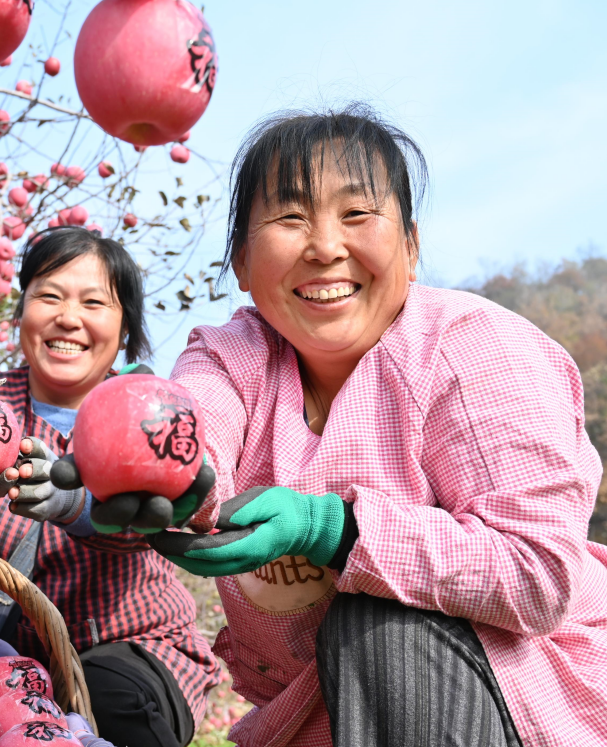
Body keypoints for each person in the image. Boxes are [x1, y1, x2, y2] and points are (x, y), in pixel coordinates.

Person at [55, 106, 607, 746]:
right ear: (239, 261)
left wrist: (335, 530)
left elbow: (536, 572)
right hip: (327, 721)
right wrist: (169, 478)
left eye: (357, 215)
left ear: (411, 245)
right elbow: (197, 428)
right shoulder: (232, 356)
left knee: (379, 621)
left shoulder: (475, 349)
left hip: (527, 706)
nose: (323, 246)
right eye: (289, 218)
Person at [0, 227, 220, 747]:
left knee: (105, 705)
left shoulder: (148, 410)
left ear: (125, 329)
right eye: (49, 296)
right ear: (22, 311)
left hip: (127, 645)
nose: (68, 317)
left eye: (93, 302)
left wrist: (80, 505)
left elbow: (167, 510)